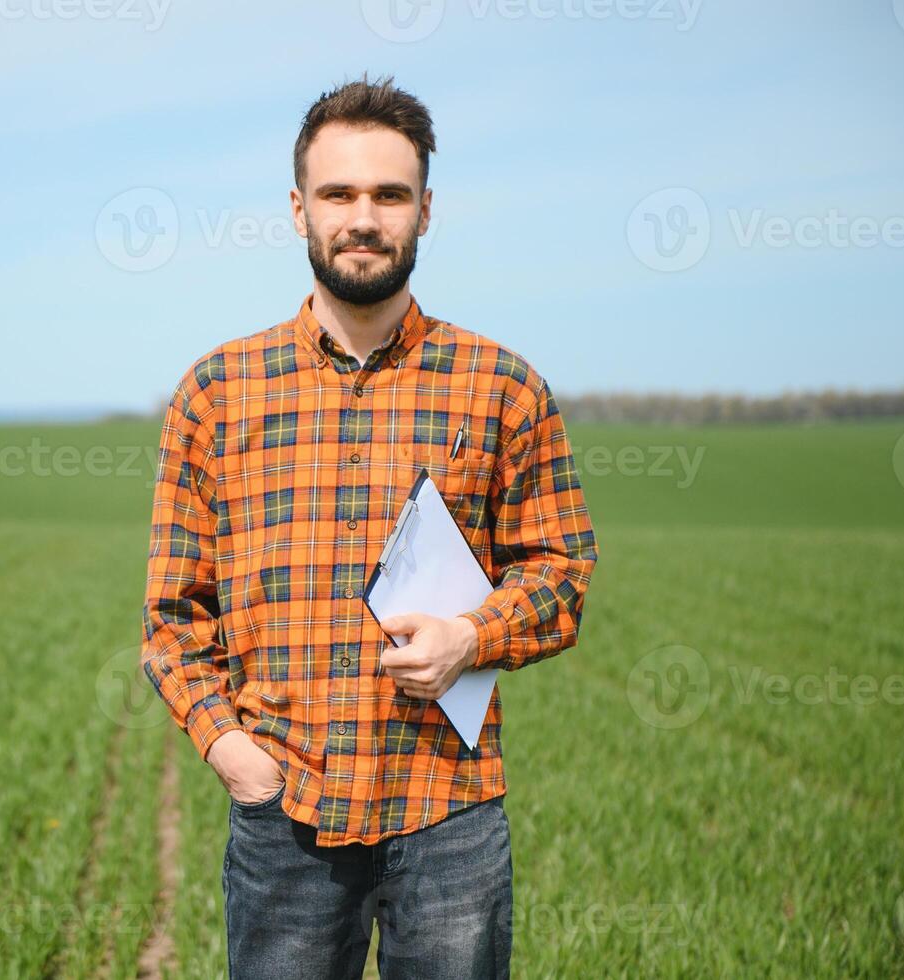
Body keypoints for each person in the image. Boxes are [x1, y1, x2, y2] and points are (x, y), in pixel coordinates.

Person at [139, 72, 599, 980]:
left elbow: (562, 570)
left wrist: (472, 636)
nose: (363, 216)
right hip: (285, 818)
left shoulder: (499, 386)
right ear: (298, 209)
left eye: (389, 194)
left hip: (449, 812)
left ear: (425, 210)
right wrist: (235, 757)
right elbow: (171, 618)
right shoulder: (217, 392)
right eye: (338, 193)